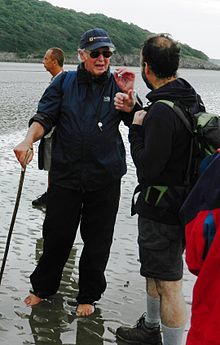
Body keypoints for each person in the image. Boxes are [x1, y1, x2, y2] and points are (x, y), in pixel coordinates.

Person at [14, 28, 135, 317]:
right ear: (81, 55)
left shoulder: (117, 85)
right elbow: (44, 116)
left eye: (107, 53)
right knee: (56, 236)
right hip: (66, 175)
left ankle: (88, 295)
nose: (102, 58)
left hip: (105, 176)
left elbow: (135, 119)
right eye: (95, 53)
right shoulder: (64, 83)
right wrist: (28, 139)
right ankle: (43, 289)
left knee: (98, 241)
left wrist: (132, 105)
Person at [114, 33, 204, 345]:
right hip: (186, 204)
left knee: (169, 284)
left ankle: (170, 340)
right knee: (156, 272)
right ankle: (151, 327)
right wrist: (134, 111)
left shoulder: (162, 111)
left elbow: (148, 168)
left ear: (146, 67)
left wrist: (136, 129)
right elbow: (170, 143)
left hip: (162, 210)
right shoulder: (189, 98)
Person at [32, 47, 65, 208]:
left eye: (46, 58)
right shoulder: (56, 80)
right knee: (51, 165)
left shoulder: (63, 80)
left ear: (54, 61)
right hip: (51, 131)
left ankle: (53, 195)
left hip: (56, 132)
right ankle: (51, 193)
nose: (43, 61)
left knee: (54, 164)